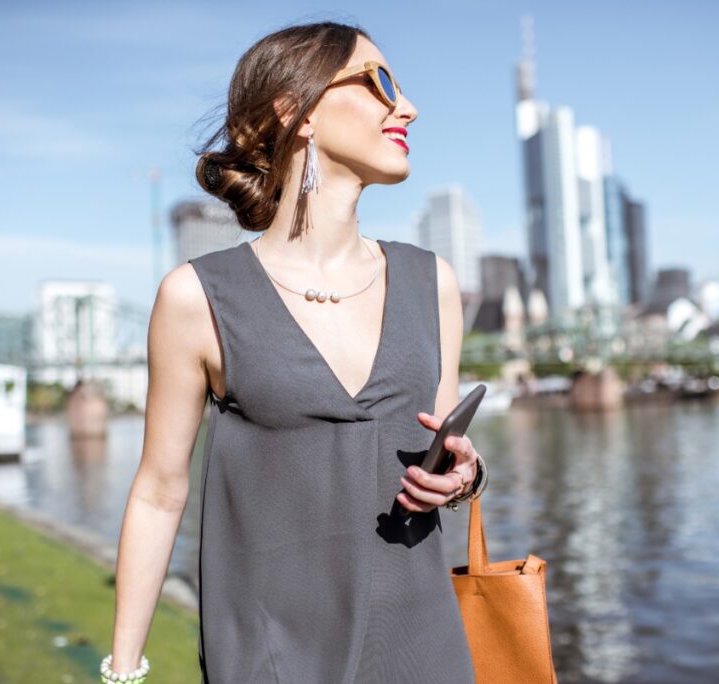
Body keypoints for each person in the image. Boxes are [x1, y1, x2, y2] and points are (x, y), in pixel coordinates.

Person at [102, 20, 487, 683]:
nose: (409, 106)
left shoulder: (436, 283)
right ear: (296, 111)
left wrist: (464, 480)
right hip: (271, 661)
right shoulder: (196, 298)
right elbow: (160, 493)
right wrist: (124, 670)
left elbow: (448, 455)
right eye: (379, 83)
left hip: (423, 651)